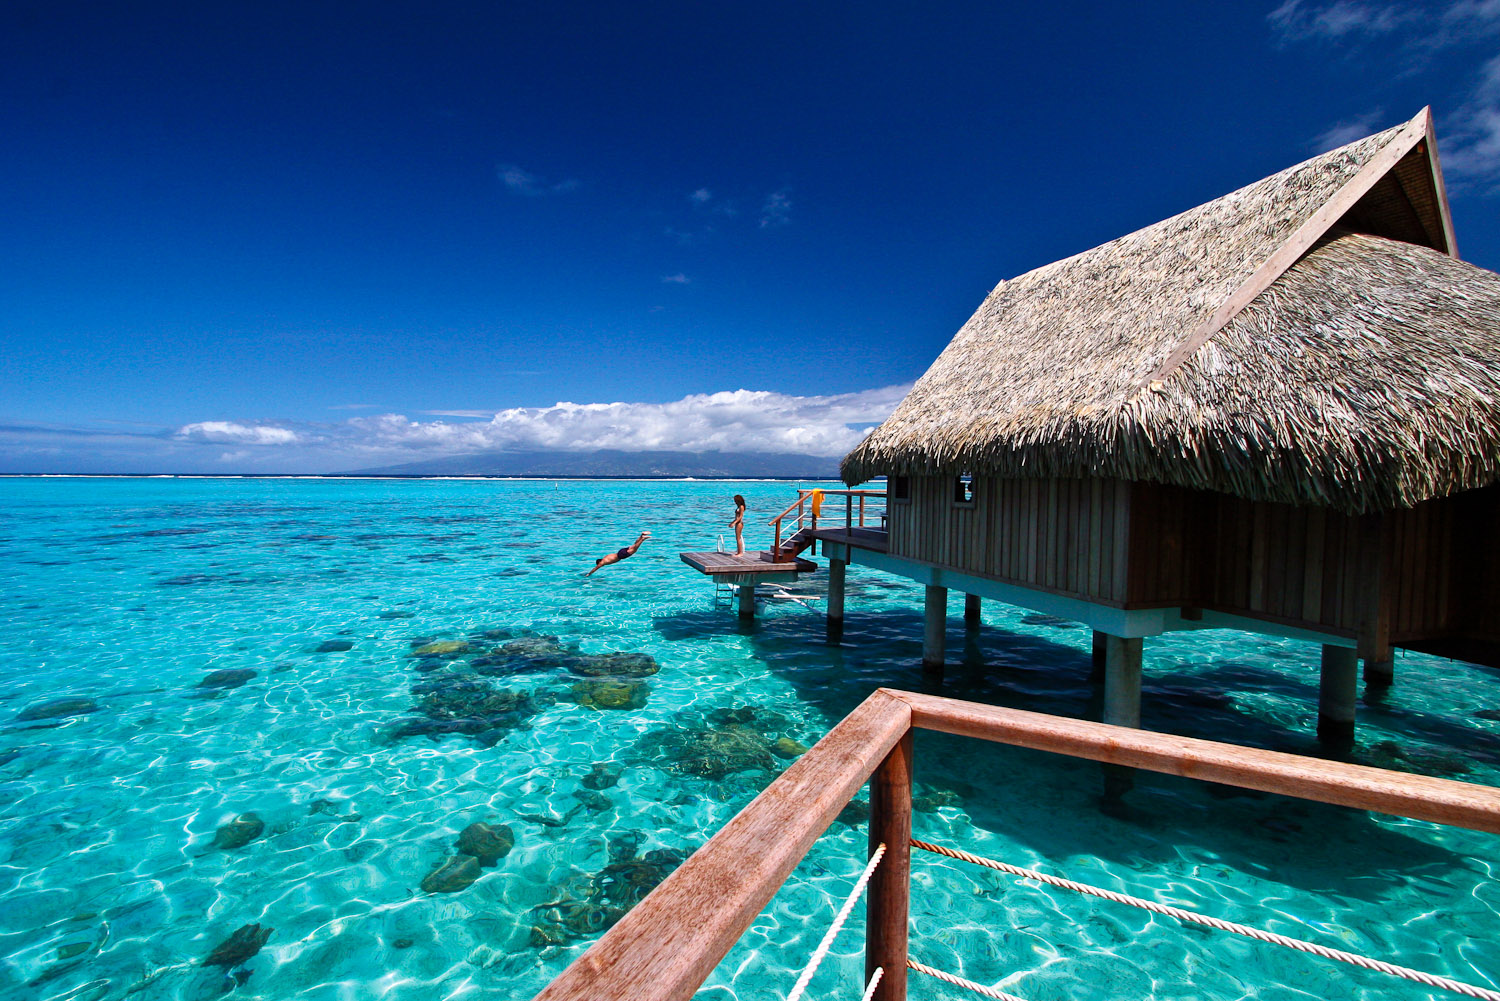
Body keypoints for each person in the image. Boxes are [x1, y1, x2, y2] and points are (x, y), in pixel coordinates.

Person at [586, 531, 650, 575]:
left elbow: (596, 568)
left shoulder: (603, 562)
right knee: (634, 545)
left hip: (620, 555)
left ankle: (642, 539)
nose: (601, 566)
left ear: (599, 562)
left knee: (635, 549)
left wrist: (589, 573)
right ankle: (641, 535)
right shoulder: (606, 557)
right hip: (620, 551)